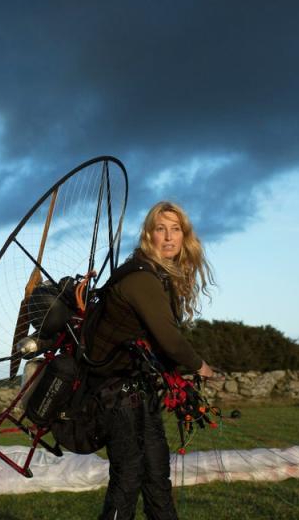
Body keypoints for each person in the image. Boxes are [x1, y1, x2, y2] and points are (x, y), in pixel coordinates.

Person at [88, 200, 217, 520]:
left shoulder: (157, 276)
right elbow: (170, 340)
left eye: (176, 229)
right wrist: (200, 366)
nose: (170, 237)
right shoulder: (141, 278)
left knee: (157, 473)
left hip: (138, 388)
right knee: (128, 475)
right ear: (149, 235)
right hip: (114, 391)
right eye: (161, 229)